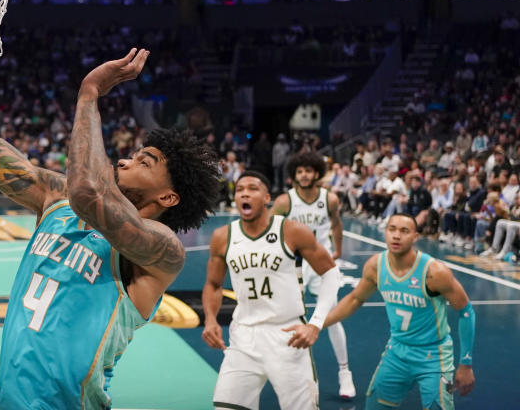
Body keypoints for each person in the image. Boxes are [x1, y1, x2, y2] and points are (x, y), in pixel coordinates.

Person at [0, 0, 221, 409]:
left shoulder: (159, 251)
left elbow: (87, 193)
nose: (125, 159)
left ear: (168, 196)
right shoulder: (56, 198)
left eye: (144, 162)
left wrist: (89, 94)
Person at [202, 171, 341, 410]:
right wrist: (211, 319)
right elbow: (214, 284)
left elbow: (330, 273)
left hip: (287, 335)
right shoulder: (223, 237)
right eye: (240, 189)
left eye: (253, 188)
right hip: (243, 336)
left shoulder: (292, 231)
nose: (245, 193)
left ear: (267, 197)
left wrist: (315, 324)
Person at [323, 213, 476, 409]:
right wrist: (317, 324)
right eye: (392, 229)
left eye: (404, 231)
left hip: (434, 355)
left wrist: (466, 364)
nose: (396, 236)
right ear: (385, 232)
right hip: (397, 351)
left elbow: (466, 312)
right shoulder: (376, 266)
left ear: (415, 237)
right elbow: (355, 299)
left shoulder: (434, 272)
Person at [270, 151, 355, 399]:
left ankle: (344, 372)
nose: (304, 175)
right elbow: (272, 233)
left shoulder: (330, 199)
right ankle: (288, 374)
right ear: (294, 175)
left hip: (321, 264)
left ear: (317, 173)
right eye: (300, 171)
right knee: (287, 317)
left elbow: (336, 223)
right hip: (292, 265)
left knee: (332, 316)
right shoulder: (285, 202)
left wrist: (338, 248)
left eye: (308, 170)